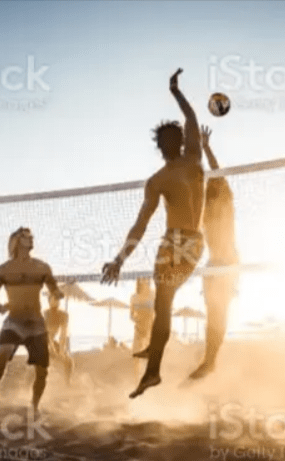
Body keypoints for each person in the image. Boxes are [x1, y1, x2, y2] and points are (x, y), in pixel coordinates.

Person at [102, 68, 205, 398]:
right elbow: (141, 223)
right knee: (164, 300)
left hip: (177, 241)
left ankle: (154, 363)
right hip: (187, 242)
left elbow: (141, 224)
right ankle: (153, 363)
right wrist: (176, 92)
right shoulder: (187, 163)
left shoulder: (170, 171)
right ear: (172, 144)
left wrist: (119, 260)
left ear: (161, 147)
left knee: (164, 300)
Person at [0, 227, 64, 415]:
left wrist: (58, 293)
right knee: (2, 354)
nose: (32, 238)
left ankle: (34, 406)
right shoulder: (4, 269)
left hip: (36, 324)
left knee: (42, 371)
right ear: (17, 241)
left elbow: (54, 290)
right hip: (14, 322)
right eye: (27, 236)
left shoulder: (42, 267)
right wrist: (0, 307)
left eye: (32, 236)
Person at [188, 125, 239, 380]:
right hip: (213, 265)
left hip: (227, 263)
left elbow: (216, 173)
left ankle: (211, 360)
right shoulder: (204, 209)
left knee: (219, 312)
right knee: (213, 314)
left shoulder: (224, 200)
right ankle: (209, 361)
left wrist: (206, 147)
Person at [43, 291, 74, 384]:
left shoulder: (63, 314)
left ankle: (67, 382)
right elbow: (46, 333)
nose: (56, 300)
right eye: (54, 298)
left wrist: (61, 350)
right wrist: (52, 348)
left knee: (68, 361)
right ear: (49, 301)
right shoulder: (46, 314)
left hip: (51, 340)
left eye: (58, 299)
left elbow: (63, 333)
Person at [130, 278, 155, 381]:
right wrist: (137, 320)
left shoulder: (152, 294)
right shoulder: (134, 297)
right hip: (138, 329)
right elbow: (131, 315)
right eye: (142, 279)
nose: (144, 281)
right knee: (135, 356)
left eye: (146, 278)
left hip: (150, 329)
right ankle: (136, 381)